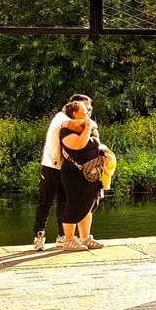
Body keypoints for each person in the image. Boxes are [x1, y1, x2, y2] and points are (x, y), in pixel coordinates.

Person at [33, 95, 91, 249]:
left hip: (65, 168)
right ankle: (39, 236)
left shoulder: (76, 119)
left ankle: (62, 236)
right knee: (45, 201)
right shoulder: (61, 117)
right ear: (74, 108)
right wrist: (89, 124)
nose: (88, 111)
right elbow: (70, 125)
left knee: (64, 202)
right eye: (85, 108)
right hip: (51, 165)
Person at [57, 99, 106, 250]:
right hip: (74, 173)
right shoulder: (66, 130)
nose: (87, 113)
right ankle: (69, 240)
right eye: (84, 111)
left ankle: (85, 237)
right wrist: (88, 126)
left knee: (88, 204)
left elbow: (94, 139)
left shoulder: (87, 125)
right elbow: (80, 144)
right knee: (74, 204)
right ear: (75, 113)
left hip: (92, 172)